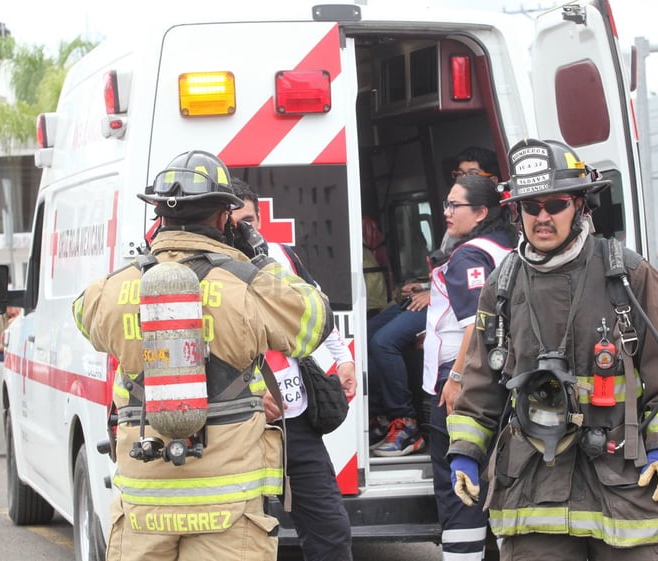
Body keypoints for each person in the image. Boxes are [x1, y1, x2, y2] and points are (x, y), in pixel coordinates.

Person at [72, 151, 333, 561]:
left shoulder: (115, 287)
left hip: (144, 502)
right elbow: (315, 323)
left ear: (158, 215)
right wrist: (259, 256)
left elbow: (83, 318)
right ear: (222, 218)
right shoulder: (248, 284)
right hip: (226, 502)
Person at [447, 138, 658, 560]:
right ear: (517, 212)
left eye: (556, 204)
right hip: (534, 482)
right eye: (531, 207)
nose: (542, 216)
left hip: (625, 479)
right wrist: (466, 454)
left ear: (580, 206)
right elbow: (481, 382)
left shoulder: (627, 275)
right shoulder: (503, 286)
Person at [231, 178, 355, 561]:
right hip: (236, 426)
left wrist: (344, 358)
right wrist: (248, 396)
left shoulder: (282, 257)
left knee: (331, 530)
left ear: (259, 218)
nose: (243, 231)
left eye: (248, 220)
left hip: (294, 421)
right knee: (241, 540)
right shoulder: (210, 272)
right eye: (233, 223)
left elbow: (315, 311)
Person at [369, 146, 501, 457]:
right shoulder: (461, 221)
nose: (449, 210)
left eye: (471, 175)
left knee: (383, 341)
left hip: (448, 308)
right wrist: (426, 286)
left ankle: (407, 422)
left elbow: (475, 287)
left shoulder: (486, 234)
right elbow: (449, 268)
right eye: (459, 174)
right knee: (368, 330)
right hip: (436, 297)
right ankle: (377, 413)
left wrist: (433, 295)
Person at [425, 170, 517, 560]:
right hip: (501, 374)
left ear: (480, 212)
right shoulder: (507, 245)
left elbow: (474, 326)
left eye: (454, 204)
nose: (446, 211)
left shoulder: (469, 255)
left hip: (460, 378)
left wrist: (457, 379)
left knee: (457, 479)